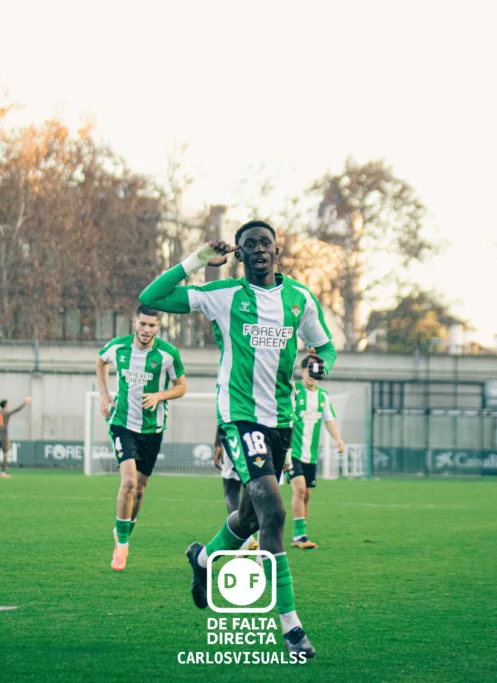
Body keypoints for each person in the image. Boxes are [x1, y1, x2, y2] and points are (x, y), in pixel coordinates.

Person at [140, 219, 336, 659]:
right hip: (240, 418)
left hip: (280, 422)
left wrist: (321, 364)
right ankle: (292, 629)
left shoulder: (299, 299)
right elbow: (149, 299)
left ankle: (205, 559)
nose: (259, 250)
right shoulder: (224, 297)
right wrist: (196, 261)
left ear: (276, 251)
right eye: (250, 245)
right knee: (274, 511)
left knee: (248, 520)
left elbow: (325, 347)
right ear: (240, 255)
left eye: (266, 243)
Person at [97, 305, 187, 571]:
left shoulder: (168, 355)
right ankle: (122, 545)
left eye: (152, 325)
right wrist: (104, 394)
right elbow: (101, 361)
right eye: (143, 324)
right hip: (122, 424)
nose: (147, 330)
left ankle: (123, 532)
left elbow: (181, 386)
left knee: (140, 490)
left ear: (158, 326)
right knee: (128, 482)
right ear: (134, 322)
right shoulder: (118, 347)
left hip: (152, 430)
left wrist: (160, 396)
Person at [286, 354, 345, 550]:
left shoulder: (323, 397)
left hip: (310, 454)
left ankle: (300, 532)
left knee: (307, 493)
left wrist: (338, 439)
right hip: (292, 452)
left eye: (317, 372)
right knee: (300, 489)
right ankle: (299, 536)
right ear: (302, 371)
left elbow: (329, 420)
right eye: (309, 370)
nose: (313, 375)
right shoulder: (294, 392)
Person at [214, 425, 257, 550]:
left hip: (236, 436)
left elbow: (223, 410)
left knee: (231, 489)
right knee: (264, 494)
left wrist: (218, 443)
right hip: (267, 439)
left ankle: (245, 539)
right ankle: (263, 557)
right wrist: (287, 451)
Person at [0, 395, 31, 478]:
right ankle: (3, 472)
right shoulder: (6, 413)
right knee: (5, 454)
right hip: (3, 435)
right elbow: (17, 409)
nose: (8, 405)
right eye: (7, 404)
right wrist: (25, 402)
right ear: (5, 405)